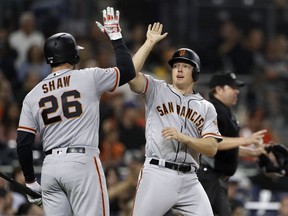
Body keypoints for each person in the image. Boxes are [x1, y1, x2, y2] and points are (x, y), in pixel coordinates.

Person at [16, 6, 135, 216]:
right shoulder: (88, 77)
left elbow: (23, 141)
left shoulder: (32, 95)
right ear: (73, 56)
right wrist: (116, 37)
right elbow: (128, 70)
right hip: (82, 162)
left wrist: (31, 181)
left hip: (51, 167)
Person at [128, 22, 222, 216]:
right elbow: (130, 75)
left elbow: (212, 148)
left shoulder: (206, 107)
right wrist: (149, 43)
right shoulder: (157, 89)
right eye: (176, 66)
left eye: (185, 66)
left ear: (195, 73)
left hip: (189, 179)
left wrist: (185, 138)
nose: (178, 69)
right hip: (158, 172)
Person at [197, 71, 267, 216]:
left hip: (215, 177)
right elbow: (212, 143)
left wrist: (251, 152)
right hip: (208, 175)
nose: (237, 91)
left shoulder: (224, 110)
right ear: (218, 89)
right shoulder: (212, 109)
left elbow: (225, 145)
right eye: (232, 87)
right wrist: (246, 140)